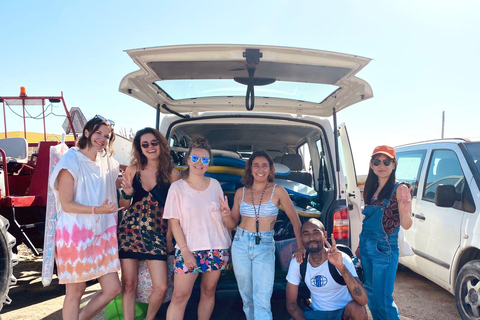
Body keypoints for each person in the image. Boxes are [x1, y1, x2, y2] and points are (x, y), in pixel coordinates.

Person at [49, 115, 122, 320]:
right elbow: (66, 203)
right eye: (98, 133)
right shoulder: (71, 161)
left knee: (113, 288)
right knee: (76, 290)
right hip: (75, 234)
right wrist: (97, 210)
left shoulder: (106, 161)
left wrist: (124, 184)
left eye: (107, 136)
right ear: (87, 133)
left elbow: (107, 182)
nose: (102, 139)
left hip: (102, 234)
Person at [229, 149, 305, 320]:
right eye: (256, 166)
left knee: (262, 298)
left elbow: (295, 220)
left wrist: (300, 248)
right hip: (240, 243)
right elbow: (232, 223)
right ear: (250, 169)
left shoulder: (278, 190)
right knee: (247, 298)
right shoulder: (241, 192)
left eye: (265, 166)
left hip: (264, 245)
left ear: (271, 169)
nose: (260, 169)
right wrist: (225, 214)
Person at [163, 136, 234, 320]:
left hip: (216, 247)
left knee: (209, 292)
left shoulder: (215, 185)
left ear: (209, 163)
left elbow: (222, 221)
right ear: (188, 159)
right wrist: (185, 251)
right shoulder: (177, 188)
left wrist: (228, 223)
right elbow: (174, 222)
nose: (199, 163)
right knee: (179, 297)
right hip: (189, 250)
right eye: (195, 158)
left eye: (204, 159)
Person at [117, 127, 180, 320]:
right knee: (128, 284)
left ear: (161, 144)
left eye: (153, 142)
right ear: (139, 148)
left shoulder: (172, 173)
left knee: (161, 287)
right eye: (145, 144)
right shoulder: (132, 170)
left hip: (157, 233)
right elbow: (124, 205)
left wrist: (169, 237)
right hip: (130, 232)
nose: (150, 147)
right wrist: (126, 193)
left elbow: (174, 211)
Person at [358, 145, 413, 320]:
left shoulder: (400, 188)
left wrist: (405, 209)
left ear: (394, 164)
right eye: (377, 162)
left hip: (384, 249)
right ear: (371, 165)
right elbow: (367, 222)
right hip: (366, 247)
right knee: (372, 297)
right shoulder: (370, 189)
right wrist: (360, 246)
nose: (382, 165)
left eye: (386, 161)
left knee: (383, 300)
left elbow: (406, 225)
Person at [286, 218, 368, 320]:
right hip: (316, 313)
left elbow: (363, 300)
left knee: (358, 310)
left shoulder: (342, 258)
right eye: (306, 234)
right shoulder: (298, 262)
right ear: (301, 238)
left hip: (343, 313)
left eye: (316, 232)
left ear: (324, 235)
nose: (311, 238)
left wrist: (341, 267)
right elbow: (291, 304)